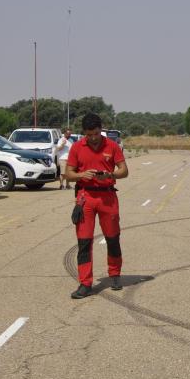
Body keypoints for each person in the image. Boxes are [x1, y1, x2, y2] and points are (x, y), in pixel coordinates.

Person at [65, 113, 128, 299]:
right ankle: (85, 283)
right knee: (84, 241)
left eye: (96, 133)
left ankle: (115, 274)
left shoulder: (112, 145)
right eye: (89, 134)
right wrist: (81, 175)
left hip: (107, 196)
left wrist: (110, 175)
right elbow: (68, 173)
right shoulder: (77, 147)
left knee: (112, 237)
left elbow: (124, 170)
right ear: (84, 132)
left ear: (101, 129)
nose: (93, 137)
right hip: (85, 198)